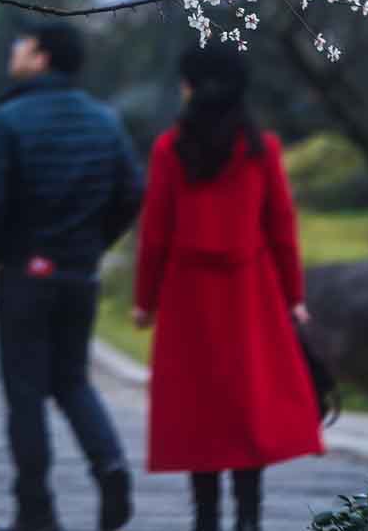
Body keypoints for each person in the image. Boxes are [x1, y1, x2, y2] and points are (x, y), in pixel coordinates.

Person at [132, 46, 323, 531]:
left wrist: (144, 301)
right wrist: (293, 297)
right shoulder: (262, 150)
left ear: (191, 87)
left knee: (198, 409)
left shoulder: (170, 149)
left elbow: (155, 234)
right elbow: (281, 228)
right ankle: (248, 519)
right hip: (250, 295)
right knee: (247, 408)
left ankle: (205, 519)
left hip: (188, 298)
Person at [0, 21, 143, 531]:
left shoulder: (7, 120)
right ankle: (110, 466)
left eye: (22, 45)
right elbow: (131, 192)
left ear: (41, 58)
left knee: (25, 393)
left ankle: (35, 508)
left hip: (26, 272)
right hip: (78, 272)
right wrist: (93, 245)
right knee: (72, 381)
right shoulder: (105, 121)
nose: (14, 51)